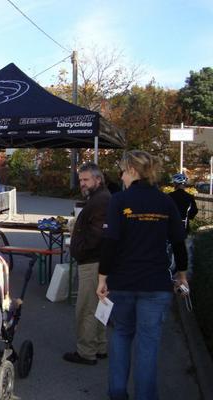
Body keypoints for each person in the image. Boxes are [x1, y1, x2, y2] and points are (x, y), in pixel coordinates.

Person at [97, 150, 188, 400]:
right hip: (156, 284)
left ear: (133, 171)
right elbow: (179, 241)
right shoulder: (165, 201)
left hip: (122, 282)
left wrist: (102, 278)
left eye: (123, 172)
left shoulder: (119, 201)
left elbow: (110, 242)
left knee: (122, 335)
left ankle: (117, 393)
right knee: (148, 344)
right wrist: (182, 273)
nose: (122, 177)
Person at [64, 162, 110, 366]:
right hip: (96, 261)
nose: (82, 183)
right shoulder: (99, 198)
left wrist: (80, 250)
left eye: (86, 180)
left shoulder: (101, 201)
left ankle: (86, 352)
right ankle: (99, 347)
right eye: (81, 179)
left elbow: (98, 235)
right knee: (98, 308)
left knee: (86, 309)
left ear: (98, 179)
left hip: (93, 262)